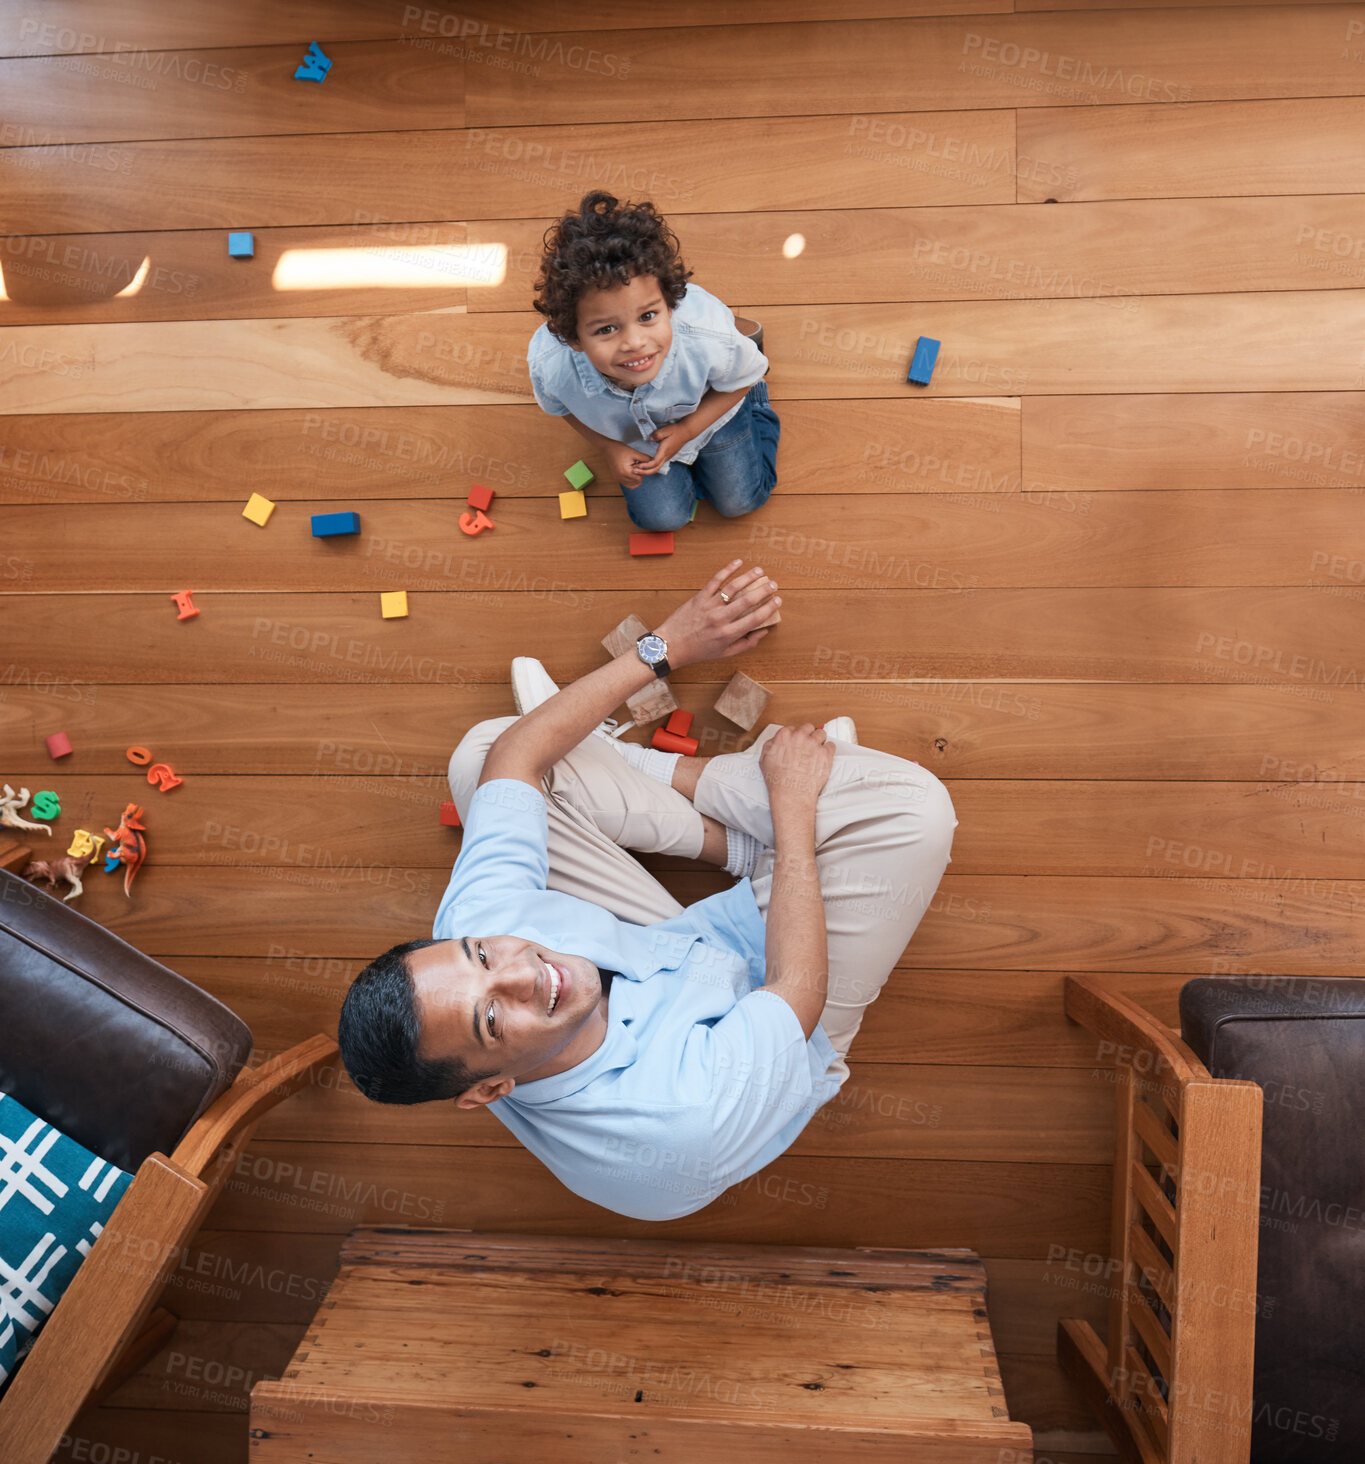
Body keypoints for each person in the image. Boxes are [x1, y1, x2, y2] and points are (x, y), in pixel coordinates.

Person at [337, 562, 957, 1221]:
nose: (522, 971)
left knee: (483, 751)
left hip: (666, 948)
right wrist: (792, 806)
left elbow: (513, 760)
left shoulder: (480, 932)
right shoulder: (677, 1121)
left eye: (481, 954)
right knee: (914, 809)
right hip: (775, 1013)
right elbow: (793, 990)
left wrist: (667, 645)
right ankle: (762, 816)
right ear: (490, 1089)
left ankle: (736, 834)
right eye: (491, 1019)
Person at [526, 190, 778, 533]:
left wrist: (689, 430)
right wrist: (608, 447)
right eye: (607, 329)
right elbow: (561, 407)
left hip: (713, 415)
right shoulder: (551, 365)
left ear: (670, 304)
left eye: (648, 315)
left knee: (741, 502)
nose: (634, 343)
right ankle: (696, 468)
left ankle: (756, 397)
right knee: (662, 520)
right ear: (573, 339)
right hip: (637, 441)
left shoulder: (707, 337)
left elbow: (741, 381)